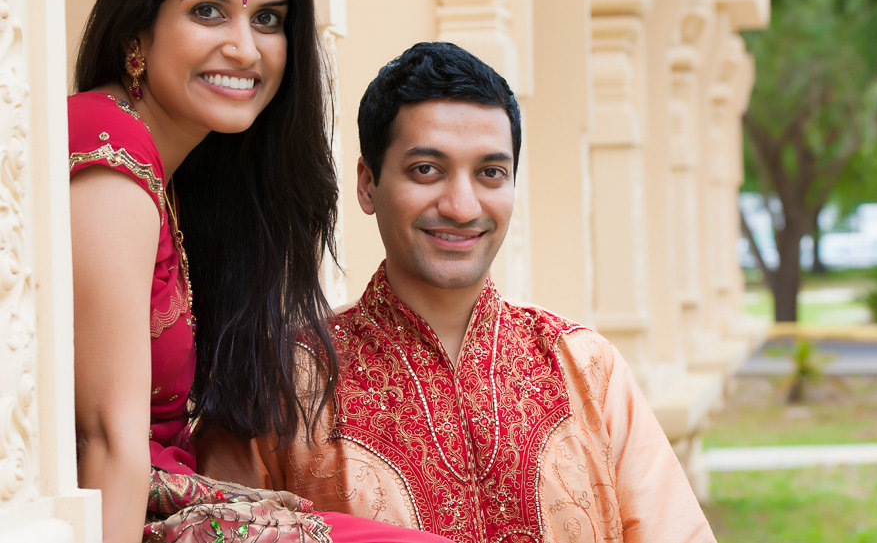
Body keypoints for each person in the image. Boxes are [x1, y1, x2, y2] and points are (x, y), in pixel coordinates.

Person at [199, 42, 718, 543]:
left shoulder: (584, 369)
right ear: (367, 183)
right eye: (427, 170)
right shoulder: (278, 379)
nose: (462, 205)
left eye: (491, 173)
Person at [69, 0, 453, 543]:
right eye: (207, 11)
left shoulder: (173, 178)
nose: (245, 48)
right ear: (137, 31)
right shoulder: (111, 152)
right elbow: (107, 438)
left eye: (269, 19)